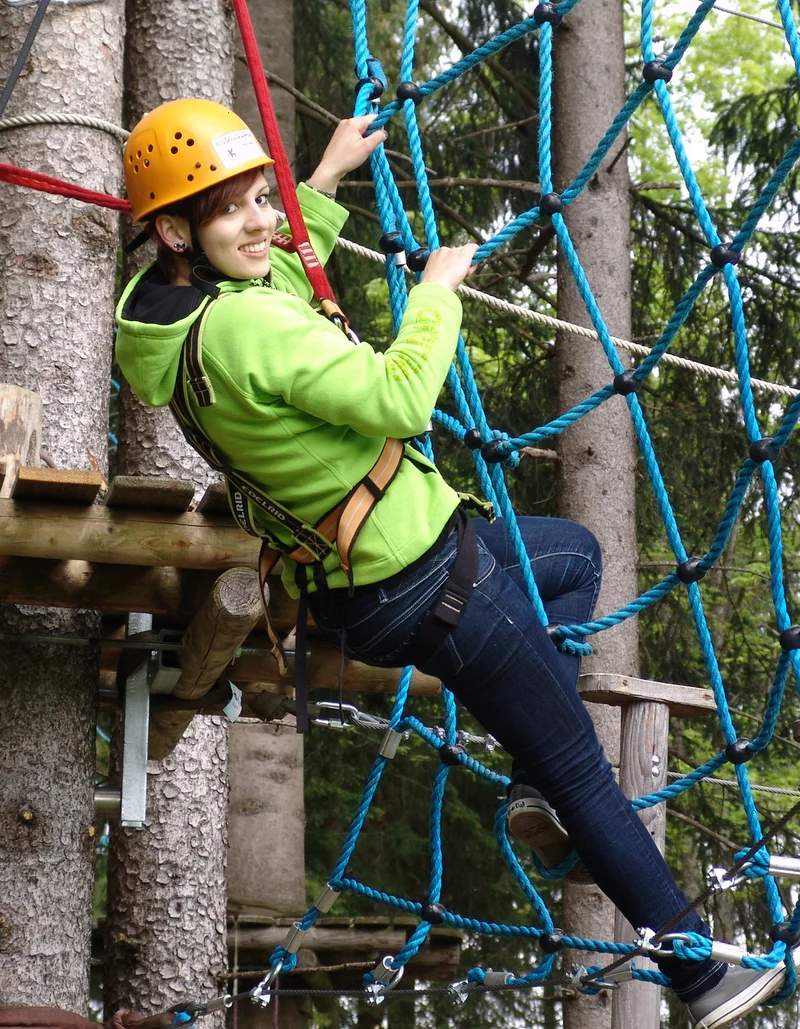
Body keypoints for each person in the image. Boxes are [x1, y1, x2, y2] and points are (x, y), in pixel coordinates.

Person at [115, 98, 797, 1029]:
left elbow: (275, 284)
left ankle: (531, 782)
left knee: (573, 557)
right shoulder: (246, 328)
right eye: (231, 208)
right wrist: (437, 290)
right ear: (174, 231)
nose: (261, 221)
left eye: (262, 198)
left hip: (372, 577)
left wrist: (322, 181)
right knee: (581, 769)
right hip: (427, 579)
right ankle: (695, 969)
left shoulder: (185, 319)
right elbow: (400, 398)